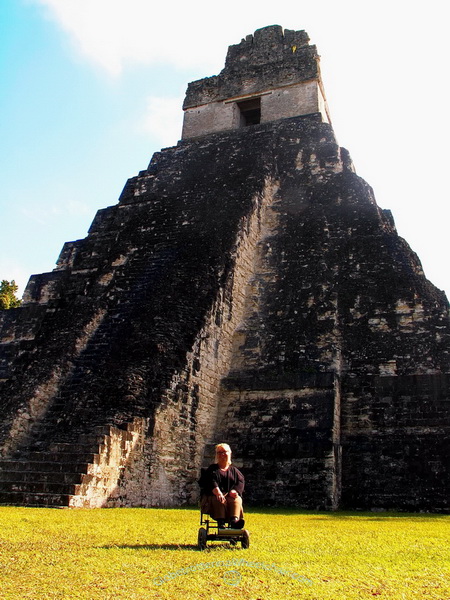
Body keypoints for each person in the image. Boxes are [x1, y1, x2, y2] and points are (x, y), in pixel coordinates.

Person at [199, 443, 245, 529]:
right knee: (219, 499)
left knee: (236, 499)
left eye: (224, 452)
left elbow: (240, 482)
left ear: (229, 453)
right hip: (213, 496)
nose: (222, 455)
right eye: (219, 453)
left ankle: (234, 521)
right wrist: (217, 491)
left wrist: (235, 491)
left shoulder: (234, 471)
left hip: (229, 496)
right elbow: (209, 481)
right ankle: (221, 522)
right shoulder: (212, 469)